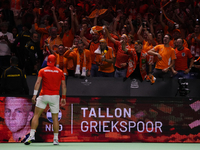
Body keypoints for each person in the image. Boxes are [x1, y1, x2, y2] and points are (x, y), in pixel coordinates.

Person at [24, 54, 67, 145]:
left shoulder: (42, 70)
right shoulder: (60, 72)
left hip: (43, 96)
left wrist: (34, 96)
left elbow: (38, 82)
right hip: (55, 97)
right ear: (55, 61)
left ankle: (31, 136)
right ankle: (55, 139)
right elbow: (63, 85)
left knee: (36, 115)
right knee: (55, 118)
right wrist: (63, 97)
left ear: (48, 61)